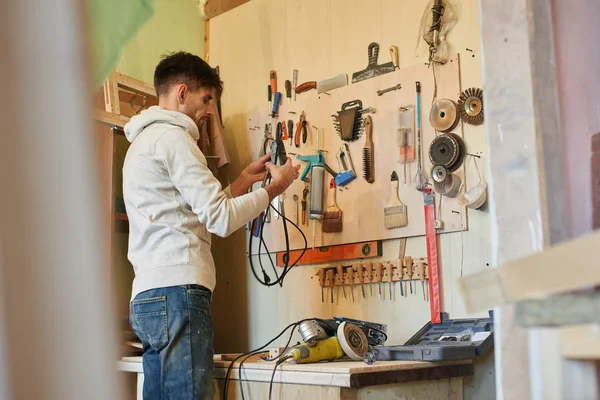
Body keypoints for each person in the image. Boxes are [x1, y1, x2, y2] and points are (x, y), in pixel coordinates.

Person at [122, 51, 299, 400]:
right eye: (206, 100)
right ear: (182, 93)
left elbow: (188, 210)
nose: (209, 112)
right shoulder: (175, 140)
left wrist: (241, 183)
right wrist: (274, 189)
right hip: (179, 293)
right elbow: (219, 219)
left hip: (147, 297)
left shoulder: (142, 144)